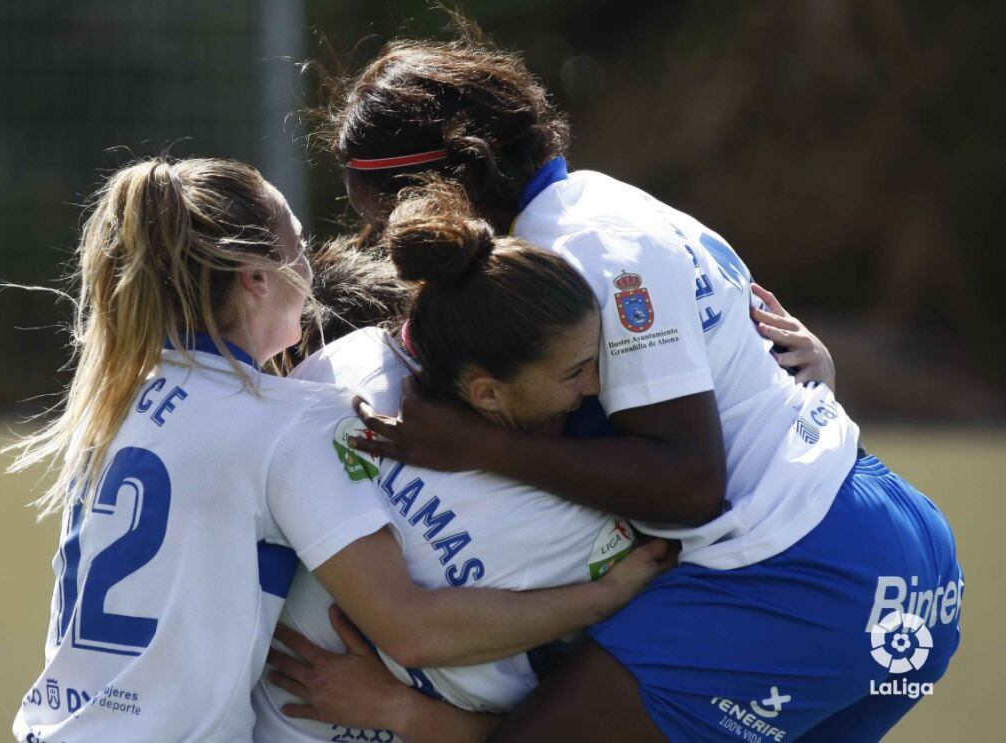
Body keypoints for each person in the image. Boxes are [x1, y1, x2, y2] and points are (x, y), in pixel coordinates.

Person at [275, 25, 962, 741]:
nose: (400, 246)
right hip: (878, 545)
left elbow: (692, 485)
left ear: (455, 178)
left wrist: (477, 445)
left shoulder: (582, 250)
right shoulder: (600, 203)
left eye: (389, 217)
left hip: (798, 573)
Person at [9, 156, 662, 742]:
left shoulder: (110, 401)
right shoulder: (284, 421)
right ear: (256, 279)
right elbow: (411, 628)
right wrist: (604, 595)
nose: (311, 270)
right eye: (297, 249)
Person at [255, 180, 677, 743]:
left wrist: (401, 711)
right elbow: (411, 633)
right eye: (575, 371)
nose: (597, 385)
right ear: (487, 395)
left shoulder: (352, 365)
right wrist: (603, 598)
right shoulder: (351, 381)